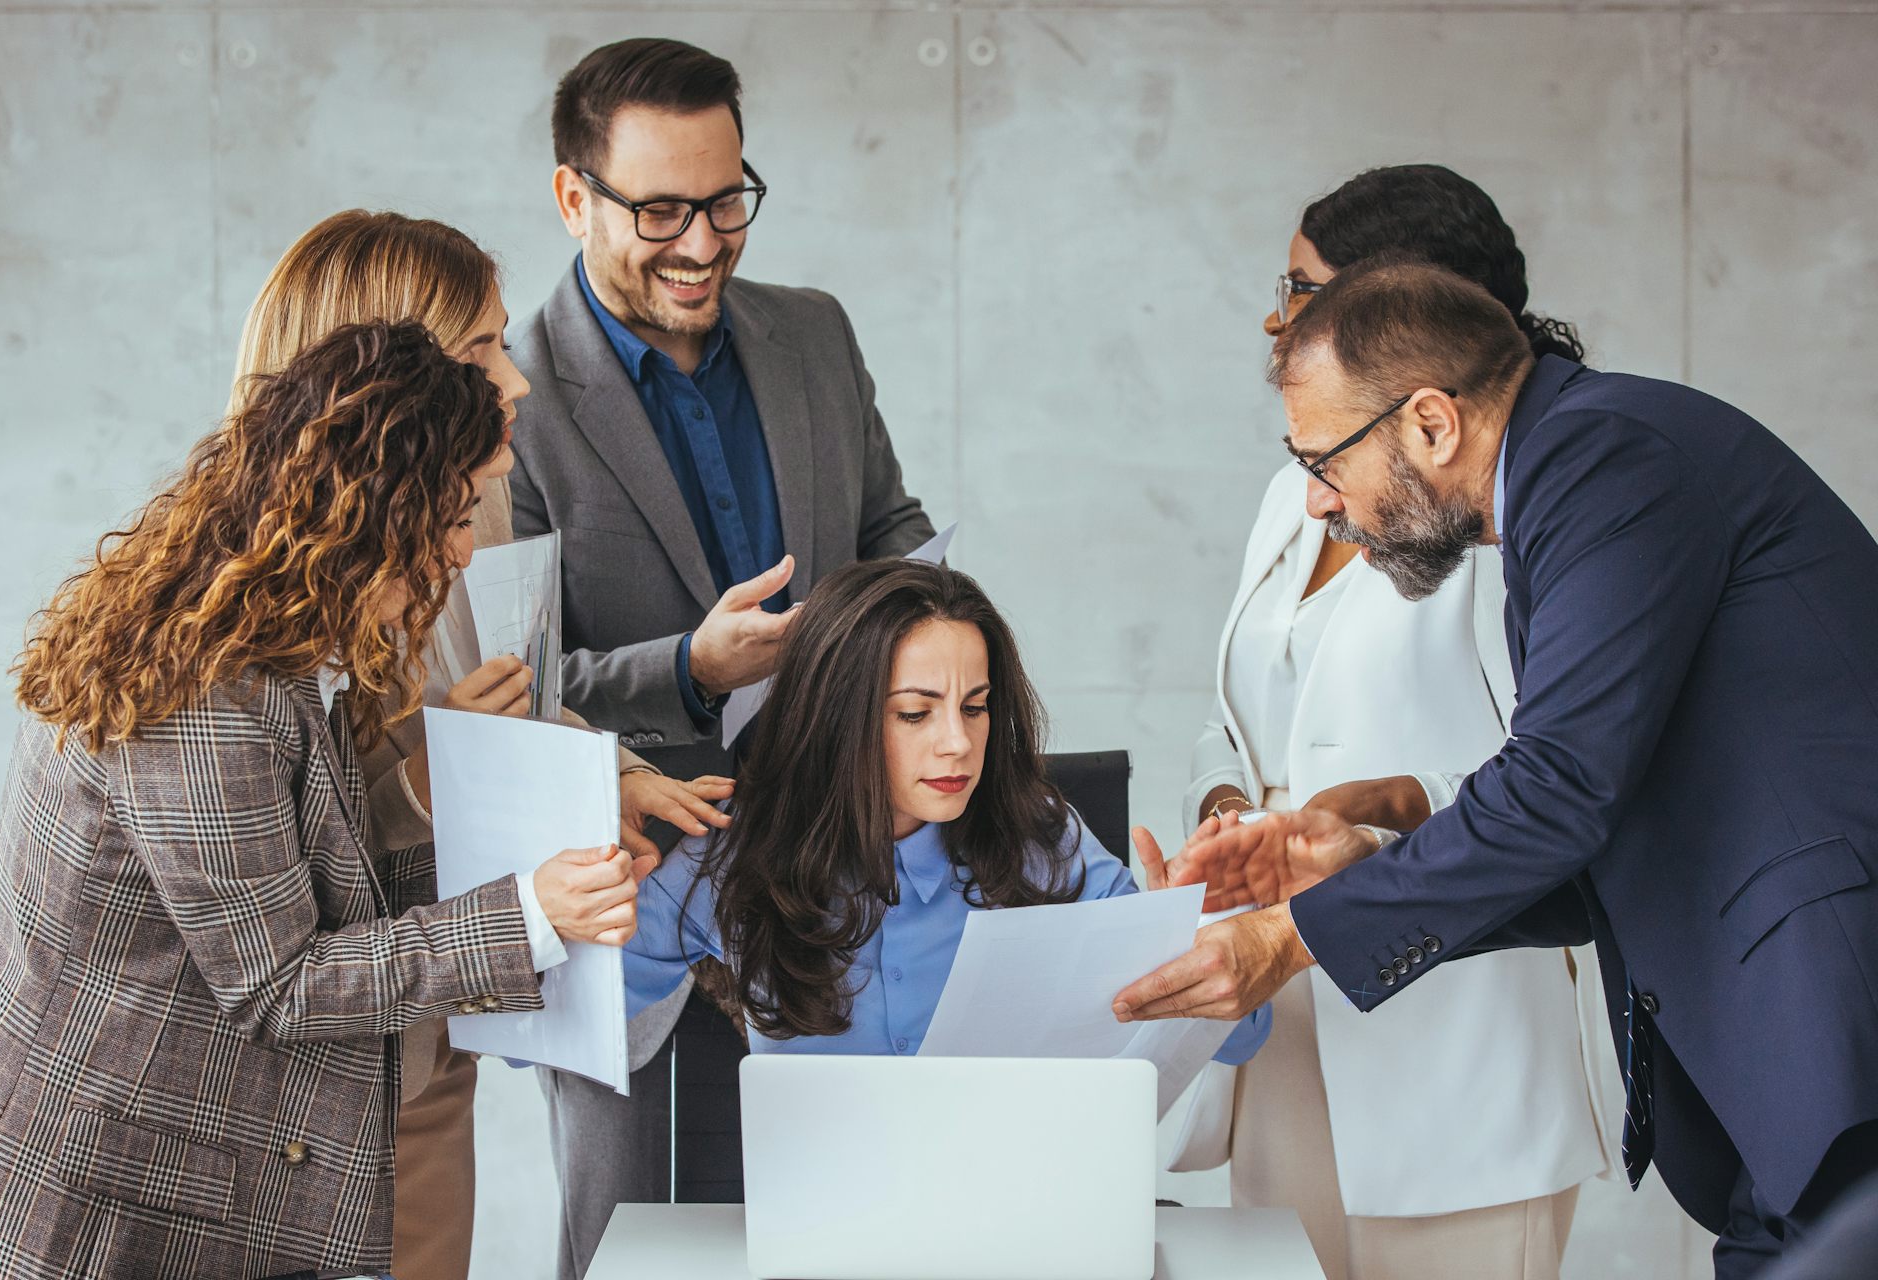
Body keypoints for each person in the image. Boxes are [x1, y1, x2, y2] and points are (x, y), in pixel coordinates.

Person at [1115, 259, 1878, 1278]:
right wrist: (1366, 857)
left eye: (1326, 460)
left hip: (1825, 1007)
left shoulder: (1604, 459)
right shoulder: (1565, 480)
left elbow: (1558, 789)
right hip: (1773, 1045)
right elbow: (1599, 814)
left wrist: (1287, 936)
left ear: (1433, 422)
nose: (1315, 502)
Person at [0, 322, 643, 1280]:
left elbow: (325, 878)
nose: (459, 556)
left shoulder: (266, 624)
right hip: (109, 1199)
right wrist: (529, 914)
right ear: (367, 514)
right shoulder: (206, 698)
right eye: (448, 520)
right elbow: (282, 982)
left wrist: (553, 847)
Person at [230, 209, 734, 1280]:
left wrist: (614, 772)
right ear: (375, 375)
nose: (516, 381)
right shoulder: (247, 623)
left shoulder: (478, 506)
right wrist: (435, 766)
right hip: (295, 1094)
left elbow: (530, 694)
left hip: (425, 1041)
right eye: (480, 351)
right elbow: (278, 922)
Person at [508, 39, 934, 1272]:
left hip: (836, 876)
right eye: (661, 210)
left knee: (835, 1221)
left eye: (728, 200)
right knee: (631, 1232)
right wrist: (694, 666)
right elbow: (509, 692)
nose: (702, 241)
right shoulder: (505, 392)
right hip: (628, 886)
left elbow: (890, 528)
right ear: (572, 196)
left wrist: (912, 616)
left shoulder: (813, 332)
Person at [1173, 167, 1612, 1280]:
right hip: (1283, 1013)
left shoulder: (1499, 513)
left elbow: (1562, 779)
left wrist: (1372, 814)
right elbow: (1235, 717)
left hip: (1453, 1030)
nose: (1277, 316)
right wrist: (1230, 815)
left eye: (1304, 290)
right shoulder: (1300, 487)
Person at [622, 557, 1270, 1074]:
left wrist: (1195, 926)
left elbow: (1240, 1040)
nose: (957, 742)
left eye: (976, 707)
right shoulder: (732, 848)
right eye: (915, 712)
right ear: (834, 718)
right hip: (819, 1219)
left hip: (1018, 1212)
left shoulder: (1039, 833)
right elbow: (570, 1021)